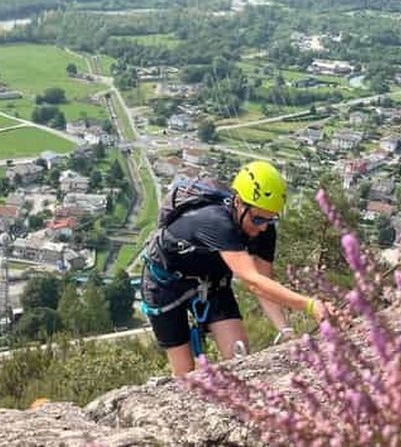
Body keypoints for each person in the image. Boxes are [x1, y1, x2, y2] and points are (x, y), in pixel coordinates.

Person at [141, 160, 329, 376]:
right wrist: (310, 305)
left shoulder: (264, 226)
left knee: (240, 360)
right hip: (165, 285)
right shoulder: (214, 220)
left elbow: (264, 281)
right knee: (186, 375)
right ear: (238, 203)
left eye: (270, 219)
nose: (263, 227)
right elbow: (253, 281)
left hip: (212, 281)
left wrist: (285, 330)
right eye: (258, 219)